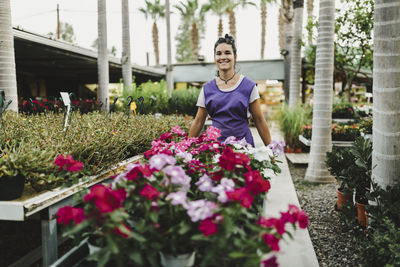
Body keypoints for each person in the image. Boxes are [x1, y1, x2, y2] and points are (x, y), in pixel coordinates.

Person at [189, 34, 271, 147]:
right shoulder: (207, 89)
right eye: (218, 54)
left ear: (235, 57)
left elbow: (259, 120)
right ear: (215, 59)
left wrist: (270, 149)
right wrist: (187, 147)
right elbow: (198, 122)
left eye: (227, 53)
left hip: (244, 149)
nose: (223, 57)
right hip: (216, 149)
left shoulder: (249, 86)